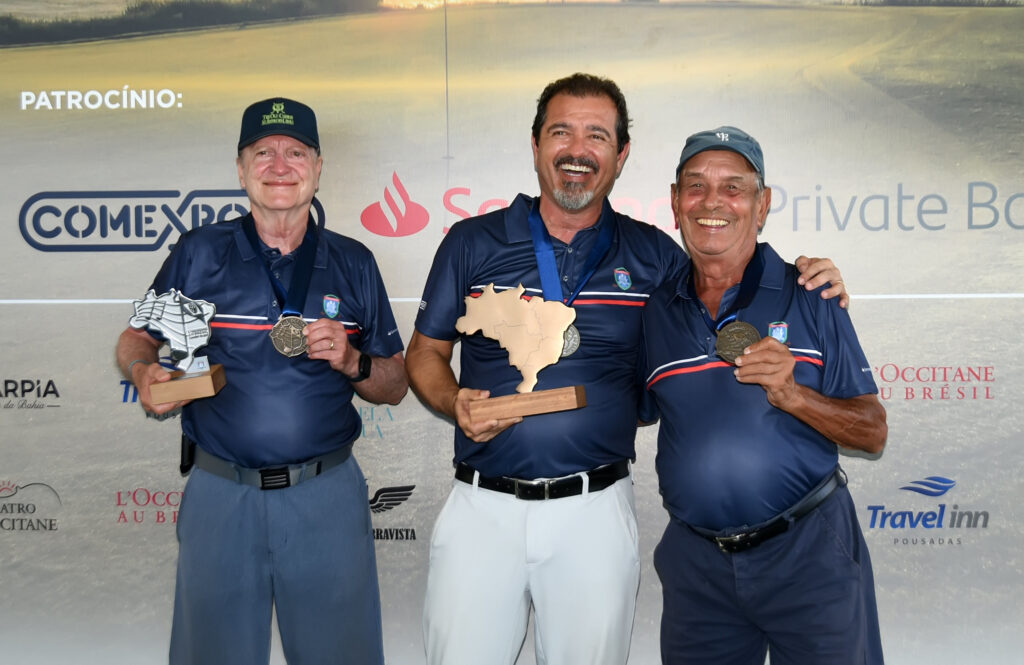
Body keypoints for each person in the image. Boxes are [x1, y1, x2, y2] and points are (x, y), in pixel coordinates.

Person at [406, 73, 848, 665]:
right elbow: (425, 353)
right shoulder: (470, 241)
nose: (577, 149)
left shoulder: (656, 256)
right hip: (481, 507)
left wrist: (810, 274)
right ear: (536, 144)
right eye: (561, 131)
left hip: (595, 510)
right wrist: (451, 399)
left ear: (621, 155)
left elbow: (728, 279)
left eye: (597, 135)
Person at [115, 97, 407, 665]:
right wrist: (143, 369)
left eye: (295, 152)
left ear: (317, 167)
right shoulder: (202, 254)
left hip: (325, 494)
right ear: (241, 168)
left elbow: (394, 382)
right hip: (223, 494)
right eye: (263, 152)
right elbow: (137, 339)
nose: (279, 165)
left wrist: (352, 362)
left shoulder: (353, 261)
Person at [642, 126, 886, 665]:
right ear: (677, 202)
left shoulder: (811, 293)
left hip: (808, 553)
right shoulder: (656, 309)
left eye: (734, 187)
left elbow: (872, 431)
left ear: (762, 204)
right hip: (698, 567)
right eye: (696, 186)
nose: (713, 202)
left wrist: (793, 393)